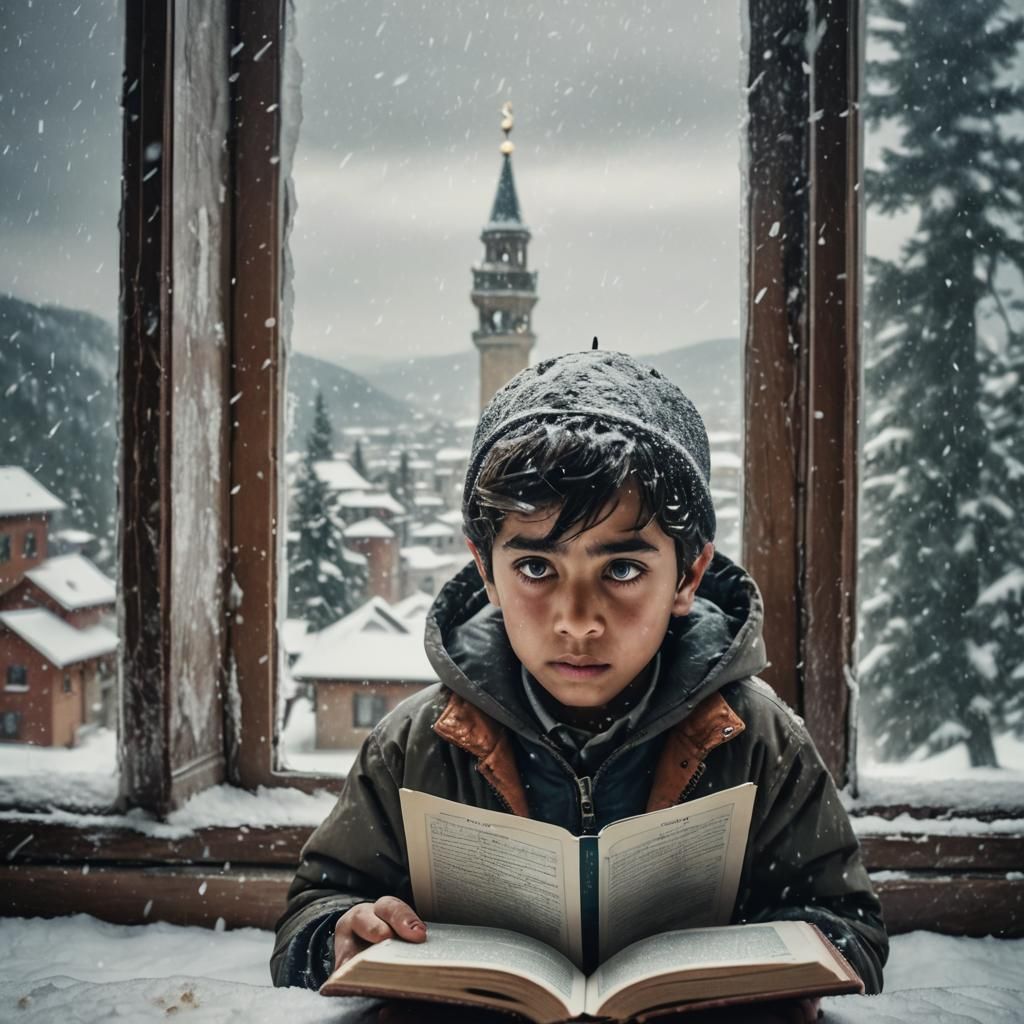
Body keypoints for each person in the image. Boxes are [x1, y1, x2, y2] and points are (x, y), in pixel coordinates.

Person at [270, 349, 888, 1005]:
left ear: (688, 575)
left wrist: (767, 971)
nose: (578, 621)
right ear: (486, 572)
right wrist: (339, 934)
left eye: (621, 569)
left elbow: (851, 930)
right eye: (537, 568)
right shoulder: (418, 746)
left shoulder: (758, 740)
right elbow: (310, 916)